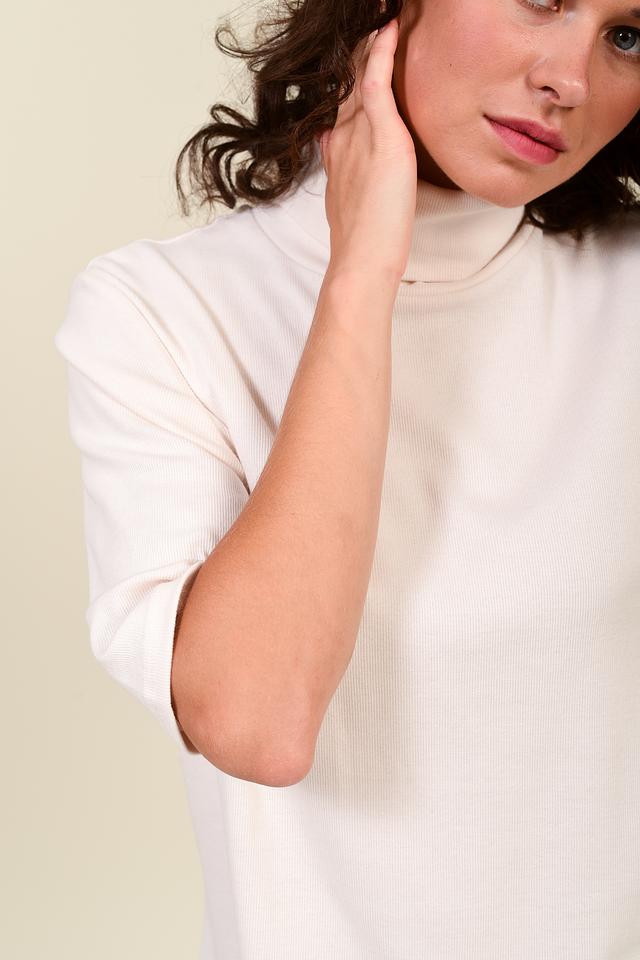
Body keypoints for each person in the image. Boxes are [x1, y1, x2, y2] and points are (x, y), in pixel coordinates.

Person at [54, 0, 640, 956]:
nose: (570, 80)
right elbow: (259, 725)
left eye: (629, 37)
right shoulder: (163, 313)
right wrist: (362, 274)